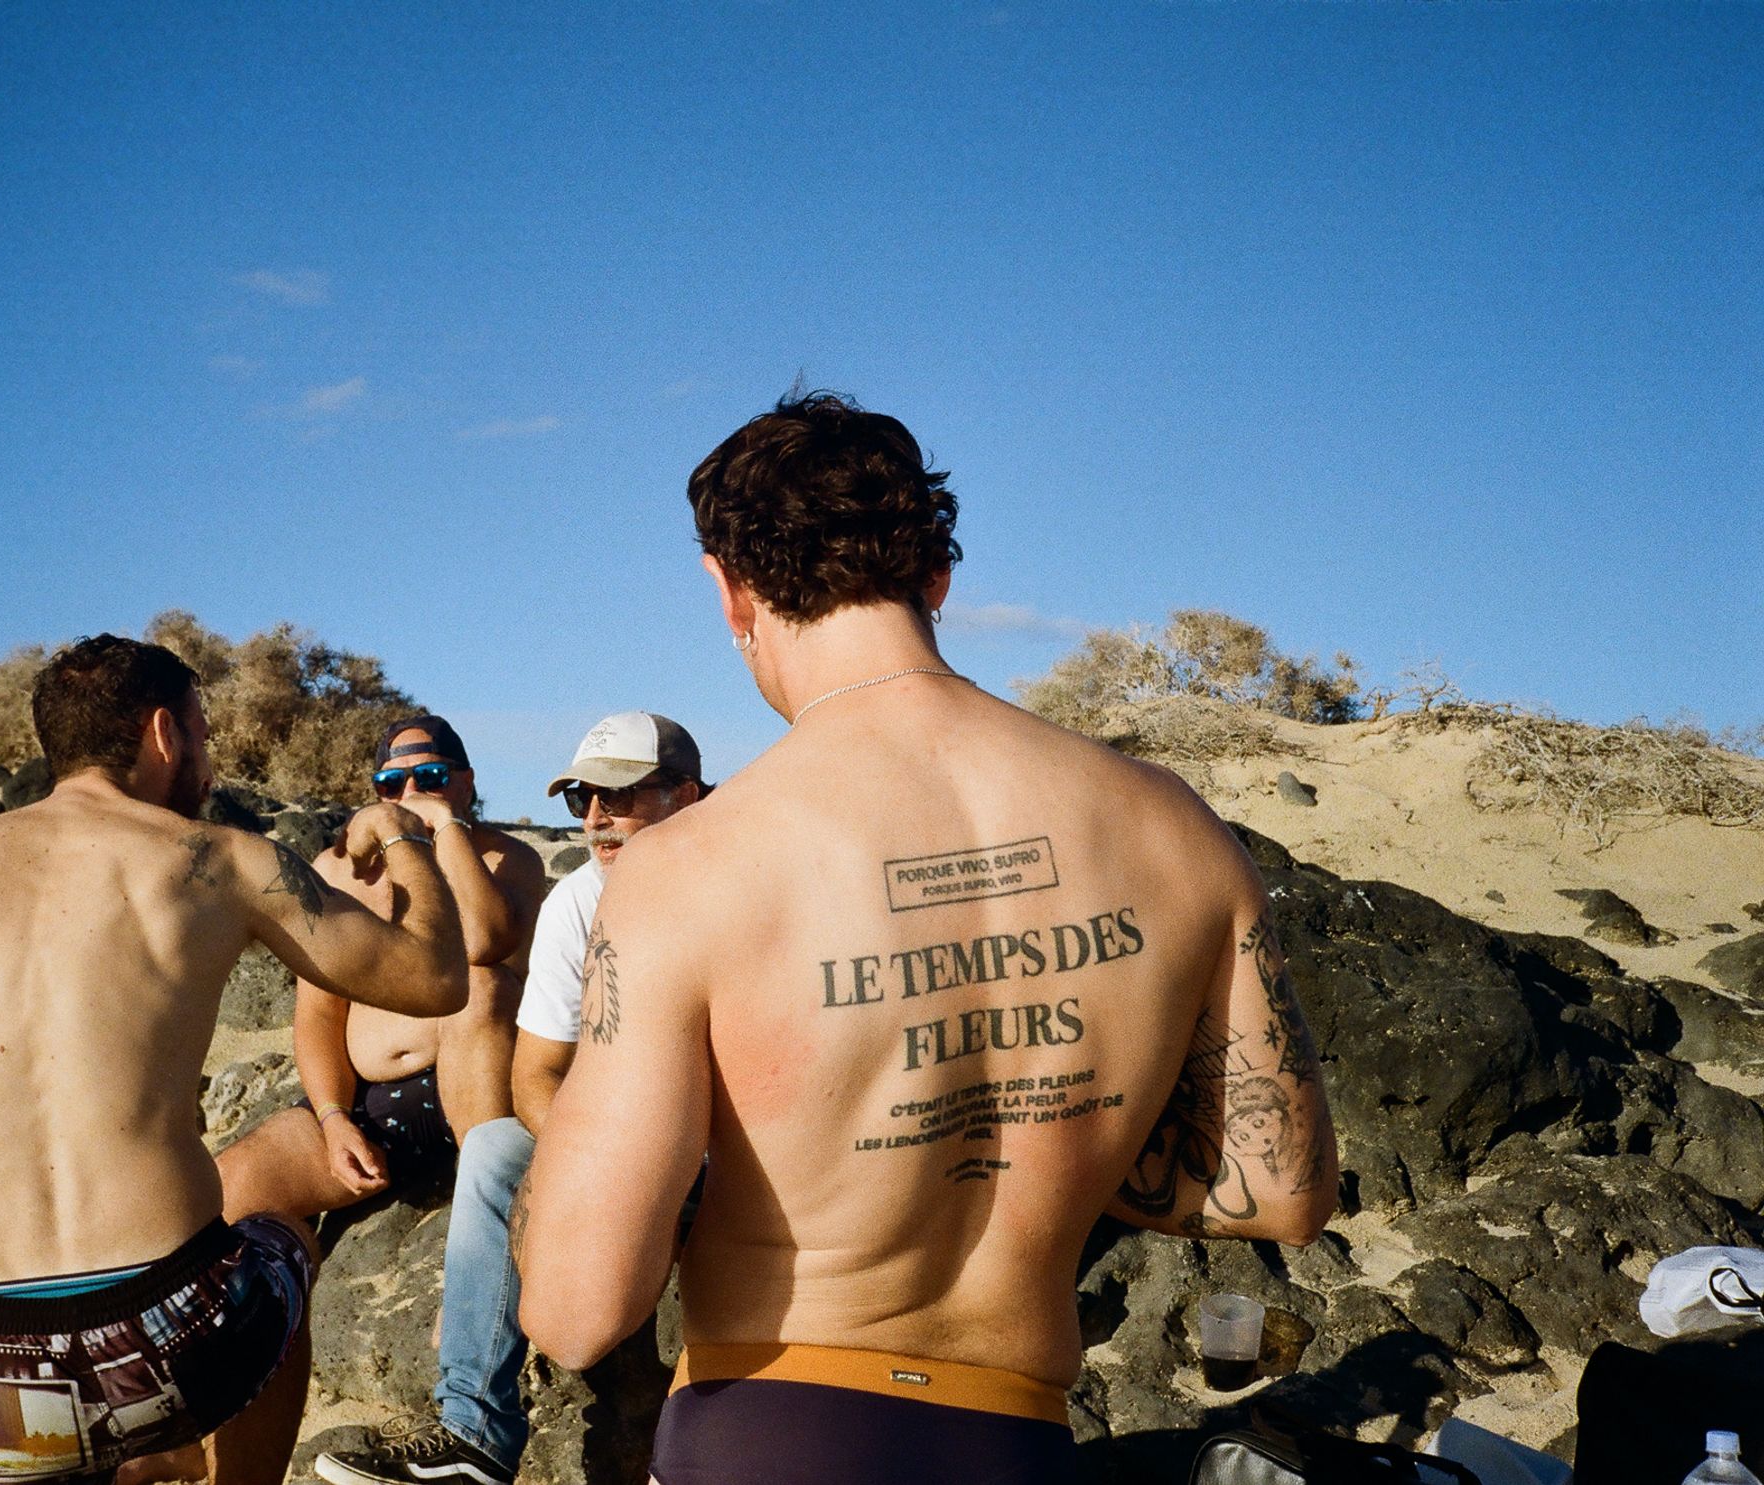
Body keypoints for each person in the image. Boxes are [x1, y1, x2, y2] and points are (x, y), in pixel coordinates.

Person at [515, 394, 1339, 1484]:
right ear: (937, 577)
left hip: (771, 1426)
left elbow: (576, 1307)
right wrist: (1048, 1144)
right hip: (1014, 1438)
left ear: (731, 591)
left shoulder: (688, 868)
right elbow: (1281, 1189)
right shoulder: (1168, 825)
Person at [0, 636, 472, 1485]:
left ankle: (105, 1449)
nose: (209, 764)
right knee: (280, 1237)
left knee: (28, 1437)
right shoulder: (218, 858)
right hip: (174, 1339)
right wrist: (403, 838)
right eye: (204, 735)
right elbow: (434, 977)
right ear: (164, 733)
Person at [316, 712, 706, 1485]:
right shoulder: (579, 902)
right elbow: (536, 1073)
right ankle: (474, 1436)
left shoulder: (749, 881)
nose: (596, 818)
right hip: (621, 1134)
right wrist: (601, 1164)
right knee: (497, 1145)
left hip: (737, 1140)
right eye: (583, 799)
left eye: (620, 795)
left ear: (685, 796)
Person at [215, 715, 545, 1227]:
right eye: (391, 784)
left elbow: (484, 942)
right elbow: (319, 1013)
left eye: (431, 778)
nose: (410, 793)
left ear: (466, 782)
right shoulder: (338, 872)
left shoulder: (509, 859)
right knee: (225, 1191)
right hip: (372, 1103)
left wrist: (446, 827)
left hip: (480, 1081)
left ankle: (488, 1205)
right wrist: (333, 1118)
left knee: (484, 986)